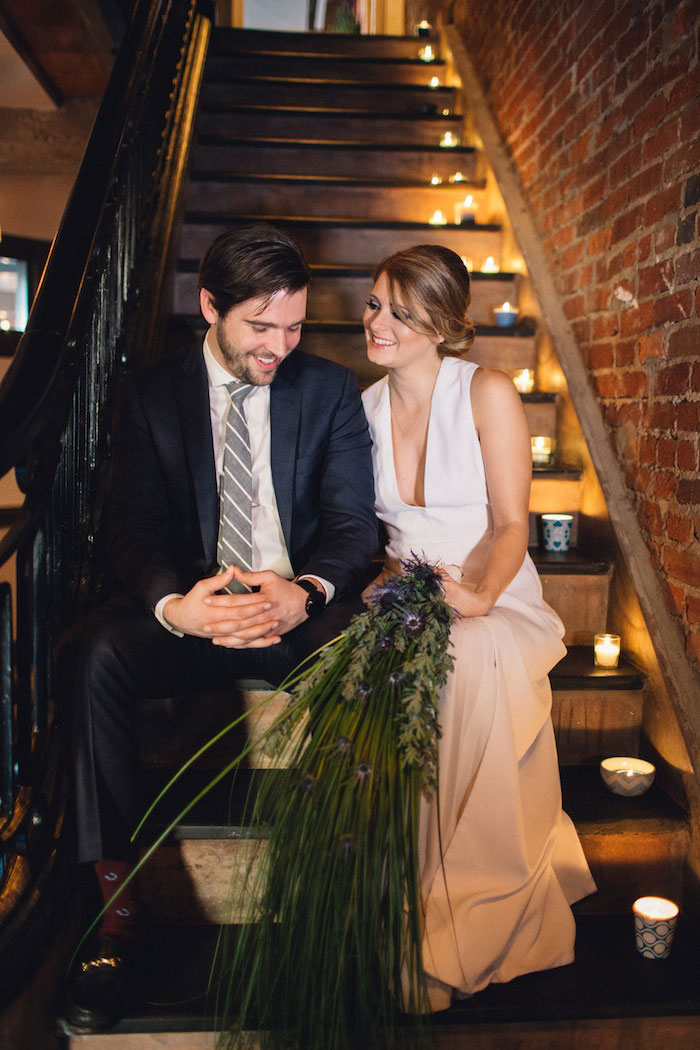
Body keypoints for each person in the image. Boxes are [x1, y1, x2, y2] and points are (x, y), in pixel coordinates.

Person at [63, 224, 378, 1031]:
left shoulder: (331, 391)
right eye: (259, 326)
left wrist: (303, 590)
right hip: (193, 613)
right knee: (97, 652)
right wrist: (177, 605)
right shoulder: (148, 393)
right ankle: (120, 910)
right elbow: (130, 527)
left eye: (296, 326)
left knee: (366, 653)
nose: (280, 345)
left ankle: (336, 897)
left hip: (291, 614)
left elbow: (352, 528)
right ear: (210, 305)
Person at [360, 244, 596, 1010]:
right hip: (405, 591)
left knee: (468, 651)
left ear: (443, 324)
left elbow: (508, 522)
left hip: (490, 586)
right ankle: (411, 891)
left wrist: (478, 596)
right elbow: (371, 535)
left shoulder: (488, 390)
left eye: (399, 311)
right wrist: (390, 584)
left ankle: (469, 905)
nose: (378, 323)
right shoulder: (357, 410)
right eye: (373, 305)